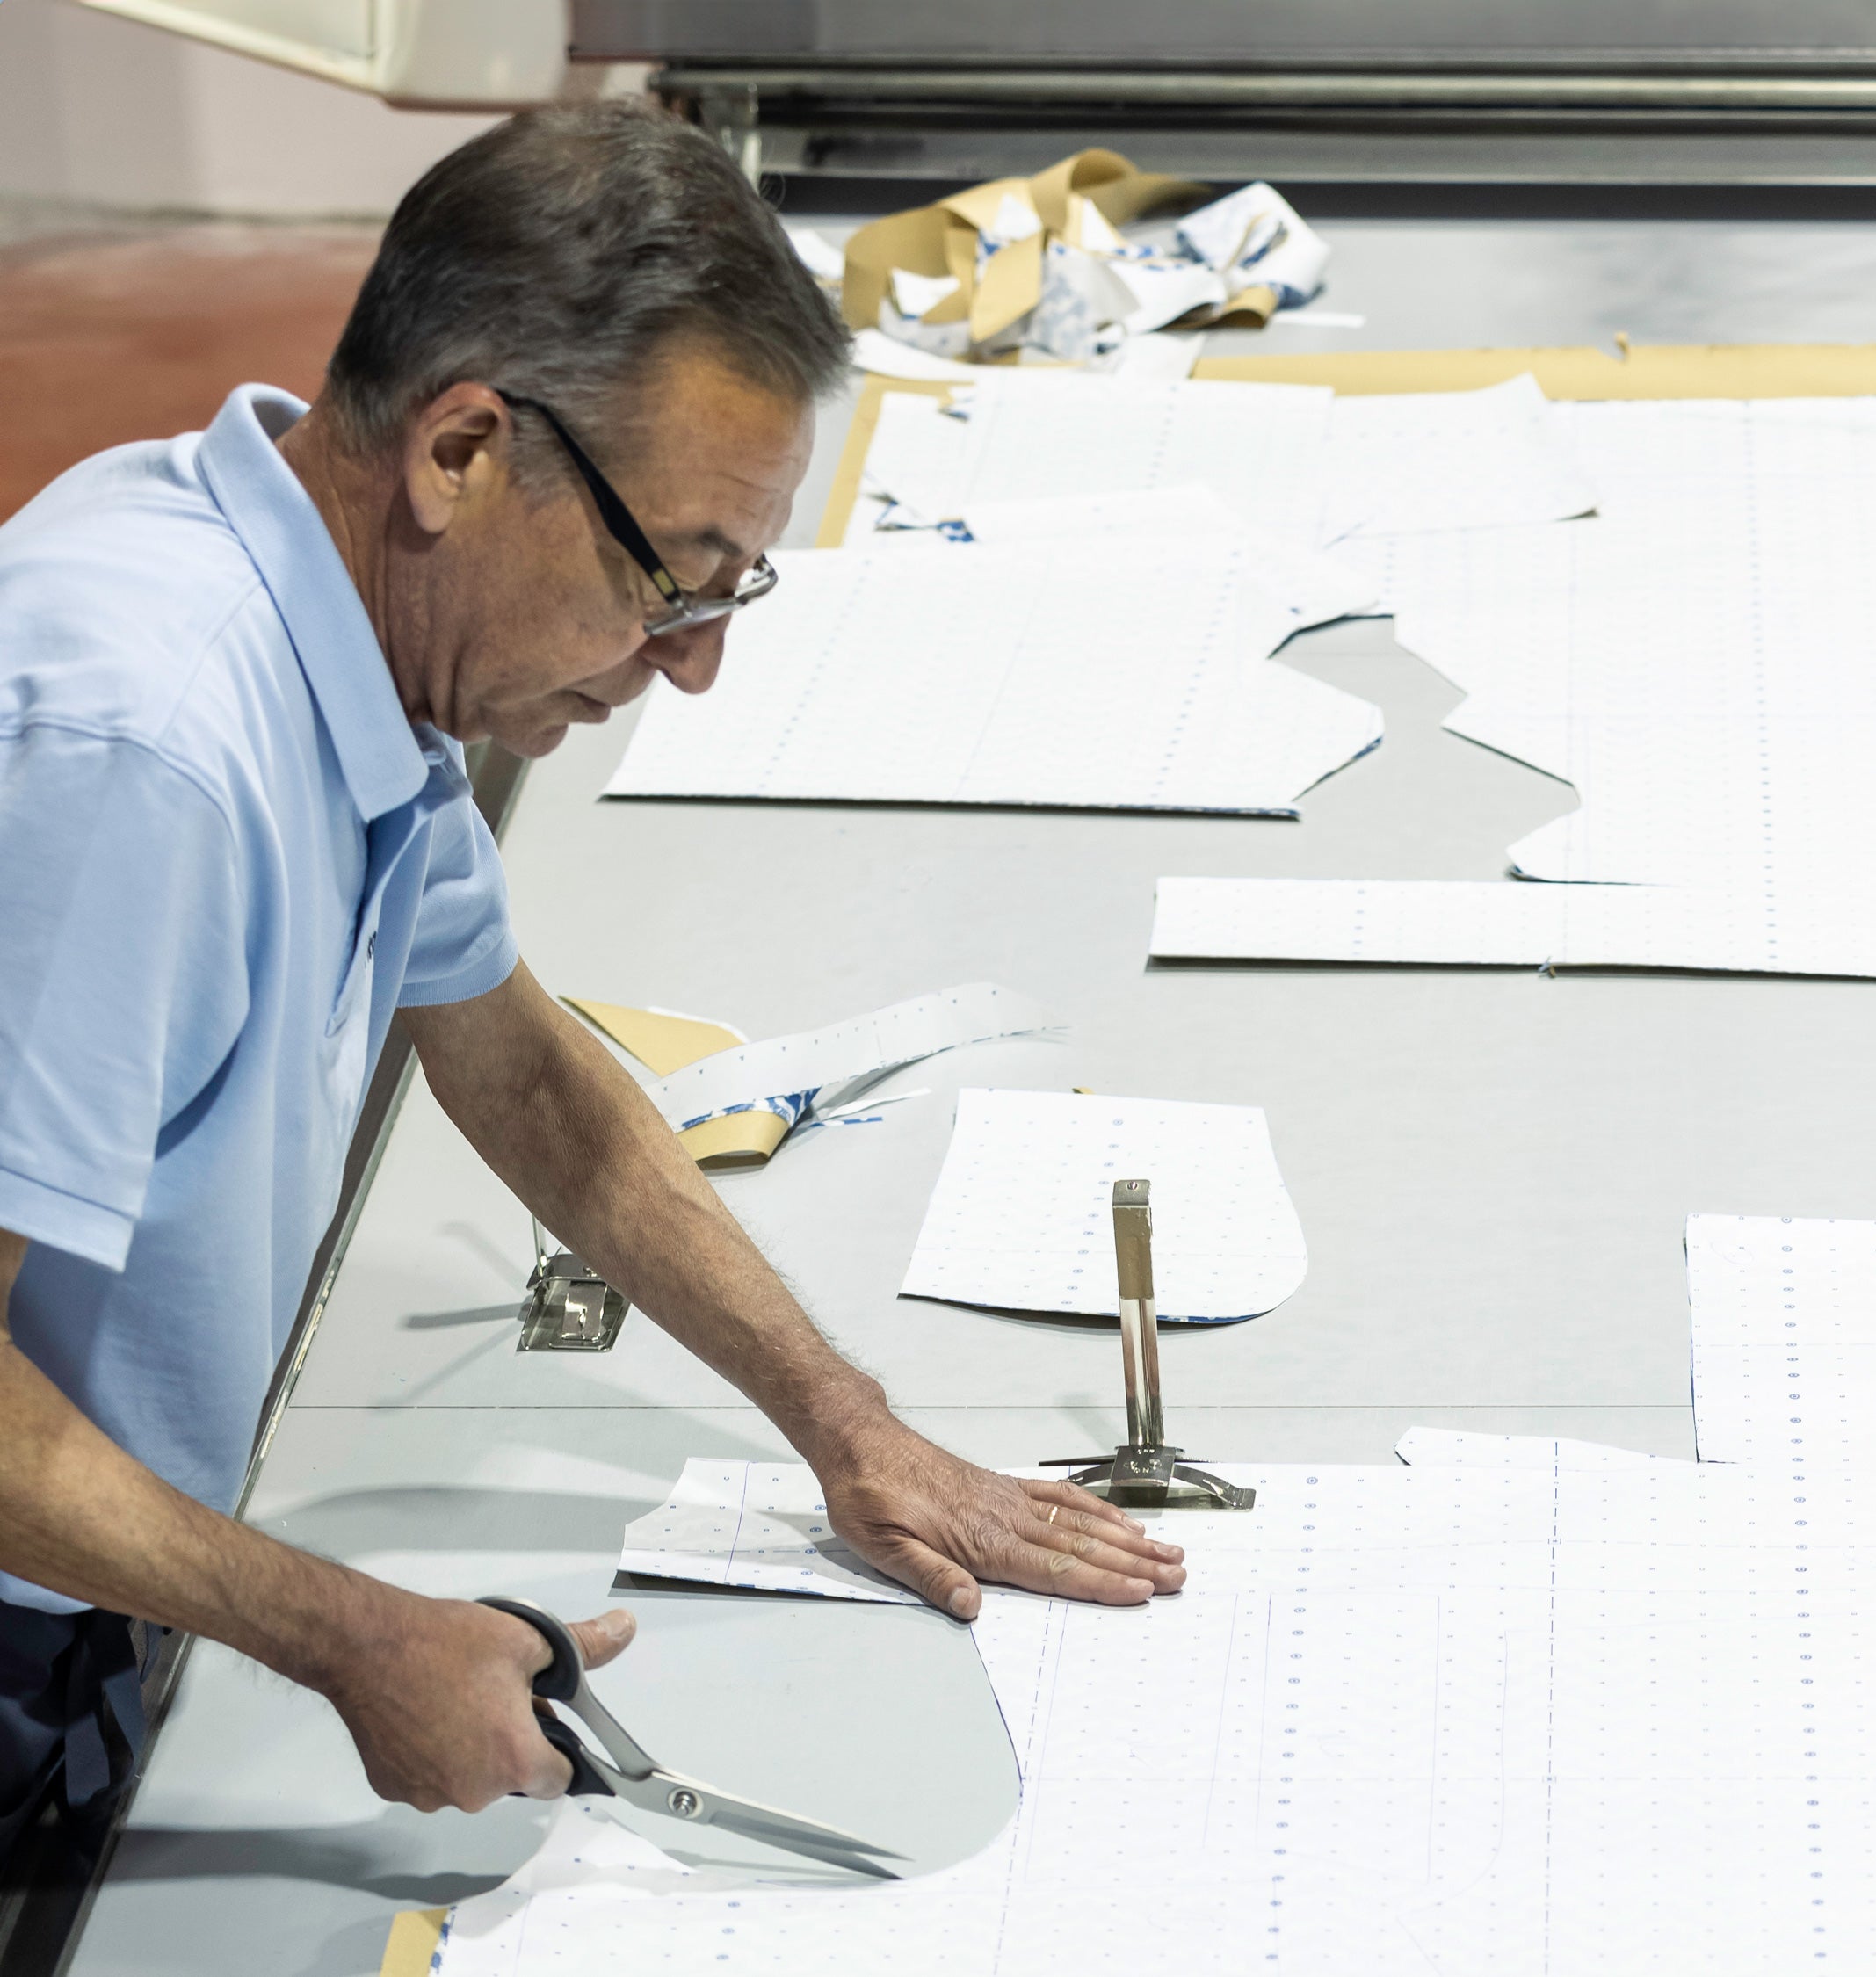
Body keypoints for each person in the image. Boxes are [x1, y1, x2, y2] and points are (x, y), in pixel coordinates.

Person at [0, 100, 1185, 1866]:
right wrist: (347, 1634)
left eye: (732, 597)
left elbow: (529, 1076)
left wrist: (848, 1428)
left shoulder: (346, 640)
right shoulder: (149, 752)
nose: (689, 669)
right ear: (463, 450)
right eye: (668, 584)